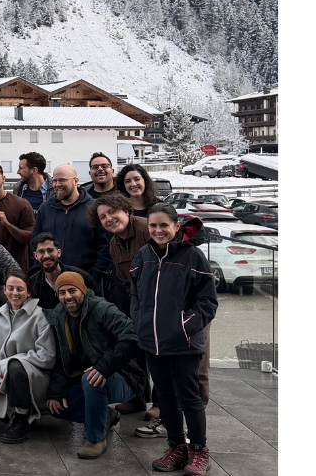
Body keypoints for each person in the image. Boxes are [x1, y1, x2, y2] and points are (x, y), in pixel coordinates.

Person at [130, 204, 217, 475]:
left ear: (176, 226)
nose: (158, 230)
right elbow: (135, 294)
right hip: (152, 343)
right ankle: (176, 446)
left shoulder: (193, 257)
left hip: (183, 344)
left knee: (189, 399)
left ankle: (198, 449)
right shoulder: (143, 256)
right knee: (165, 398)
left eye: (164, 225)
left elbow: (208, 301)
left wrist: (184, 326)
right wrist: (139, 322)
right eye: (153, 225)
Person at [44, 272, 140, 459]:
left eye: (72, 290)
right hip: (84, 377)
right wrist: (56, 391)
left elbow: (132, 336)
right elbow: (60, 358)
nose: (68, 296)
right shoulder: (59, 315)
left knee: (92, 379)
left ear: (83, 290)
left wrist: (104, 366)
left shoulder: (103, 308)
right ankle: (105, 416)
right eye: (62, 292)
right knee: (55, 407)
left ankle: (95, 439)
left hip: (122, 375)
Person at [0, 270, 56, 444]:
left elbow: (47, 356)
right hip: (4, 375)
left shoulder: (41, 316)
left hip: (34, 376)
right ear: (4, 290)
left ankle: (21, 418)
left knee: (15, 367)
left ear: (28, 292)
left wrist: (10, 363)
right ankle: (9, 411)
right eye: (10, 288)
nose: (15, 293)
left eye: (20, 289)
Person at [89, 194, 154, 415]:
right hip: (138, 305)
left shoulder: (147, 229)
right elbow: (126, 281)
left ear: (126, 210)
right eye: (103, 217)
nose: (109, 219)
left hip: (163, 304)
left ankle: (162, 405)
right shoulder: (114, 244)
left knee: (160, 357)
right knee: (135, 350)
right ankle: (138, 398)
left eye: (112, 212)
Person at [31, 165, 114, 281]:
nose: (57, 184)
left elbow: (105, 246)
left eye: (62, 180)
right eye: (54, 181)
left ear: (75, 181)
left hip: (85, 281)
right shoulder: (45, 209)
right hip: (50, 281)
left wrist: (95, 276)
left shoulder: (94, 208)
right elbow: (35, 244)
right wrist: (38, 274)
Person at [28, 232, 102, 310]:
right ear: (35, 256)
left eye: (50, 250)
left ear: (59, 252)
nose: (46, 256)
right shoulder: (32, 284)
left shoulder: (81, 277)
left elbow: (99, 306)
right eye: (41, 252)